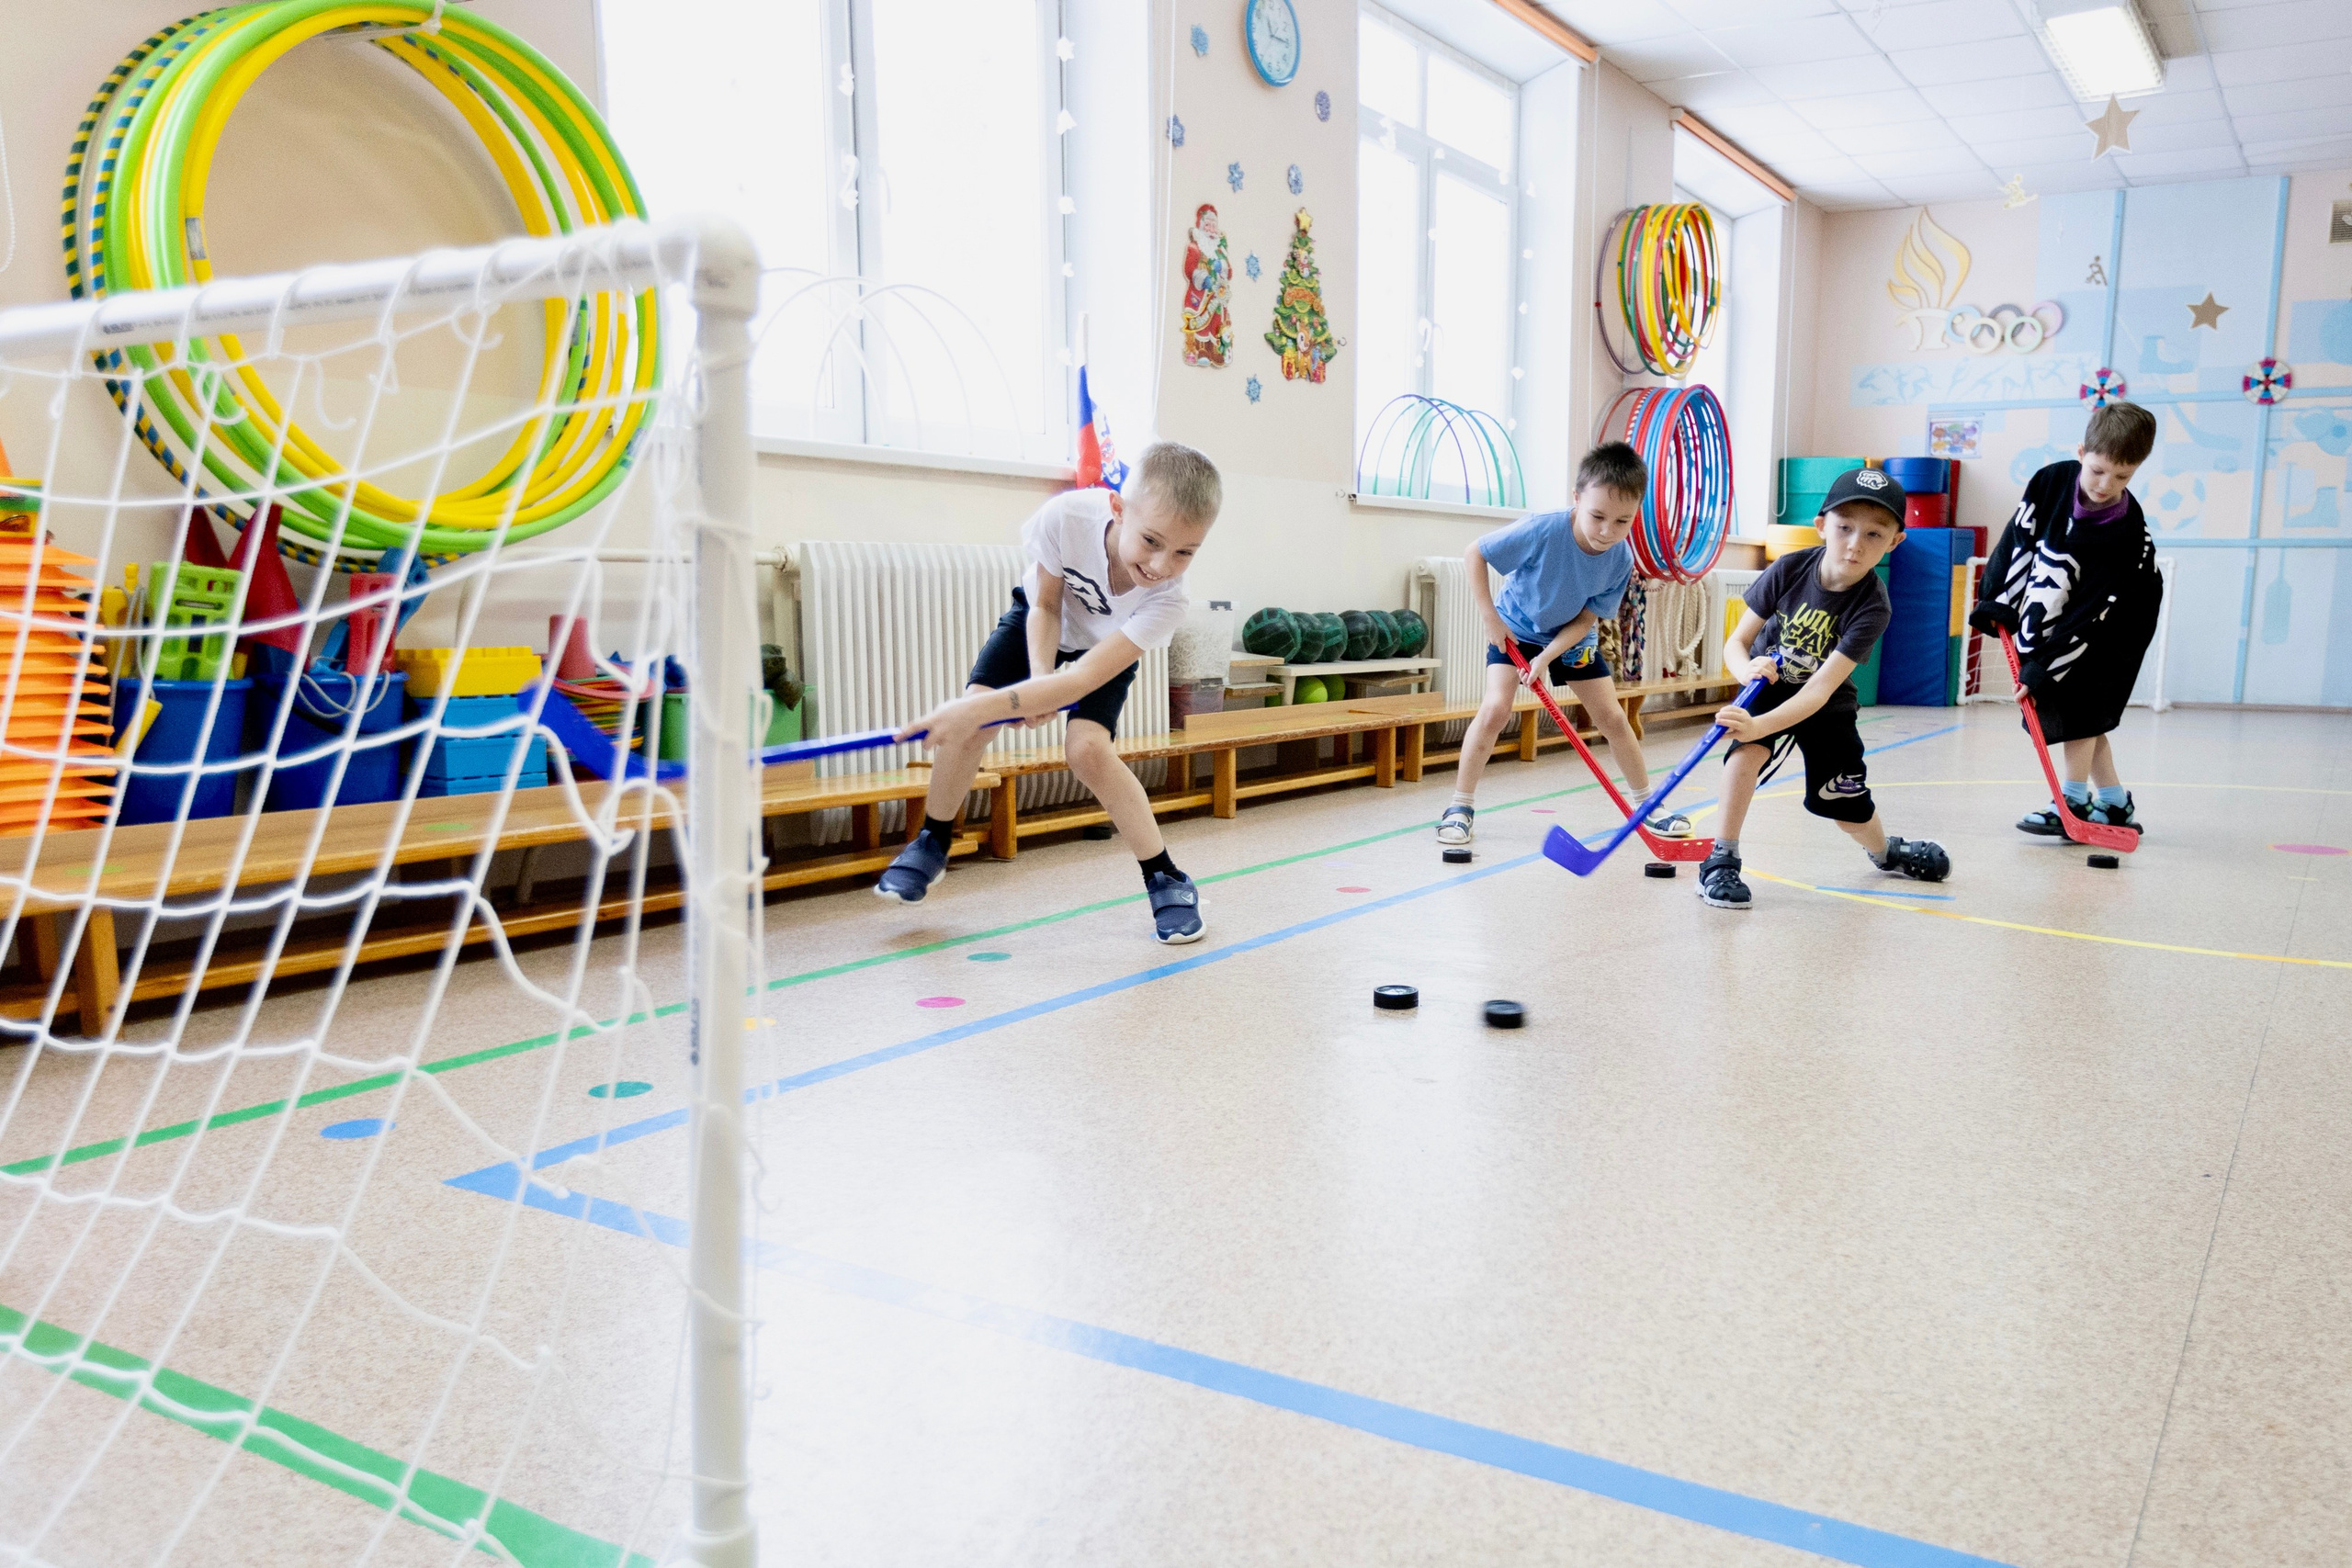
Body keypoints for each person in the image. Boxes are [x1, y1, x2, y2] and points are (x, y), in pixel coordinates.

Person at [880, 443, 1223, 944]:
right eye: (1151, 540)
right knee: (976, 719)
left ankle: (1166, 877)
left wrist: (1018, 699)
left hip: (1105, 646)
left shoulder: (1168, 599)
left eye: (1184, 552)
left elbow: (1083, 679)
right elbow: (1045, 603)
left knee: (1087, 751)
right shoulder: (1067, 517)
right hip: (1042, 617)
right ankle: (933, 839)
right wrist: (1034, 682)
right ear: (1118, 509)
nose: (1160, 563)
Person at [1698, 466, 1950, 910]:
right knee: (1744, 758)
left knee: (1843, 801)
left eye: (1874, 534)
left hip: (1827, 702)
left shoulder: (1874, 605)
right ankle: (1721, 859)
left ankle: (1885, 851)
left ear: (1895, 542)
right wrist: (1746, 672)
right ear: (1821, 527)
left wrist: (1758, 726)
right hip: (1769, 688)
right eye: (1845, 527)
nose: (1855, 543)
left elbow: (1818, 692)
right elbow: (1736, 643)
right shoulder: (1790, 568)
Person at [1436, 441, 1691, 848]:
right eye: (1597, 516)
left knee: (1612, 718)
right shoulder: (1543, 528)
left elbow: (1587, 618)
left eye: (1623, 521)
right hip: (1515, 629)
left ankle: (1648, 805)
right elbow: (1475, 553)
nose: (1608, 531)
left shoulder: (1621, 559)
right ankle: (1459, 807)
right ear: (1577, 499)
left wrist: (1548, 657)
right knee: (1496, 709)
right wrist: (1491, 619)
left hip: (1571, 637)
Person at [1967, 401, 2163, 837]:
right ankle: (2113, 803)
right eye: (2097, 470)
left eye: (2123, 477)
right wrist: (1998, 599)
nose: (2105, 485)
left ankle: (2071, 800)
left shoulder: (2124, 531)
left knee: (2083, 706)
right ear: (2081, 452)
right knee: (2077, 709)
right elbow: (2019, 541)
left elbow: (2090, 614)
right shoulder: (2051, 480)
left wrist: (2041, 668)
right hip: (2074, 599)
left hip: (2121, 615)